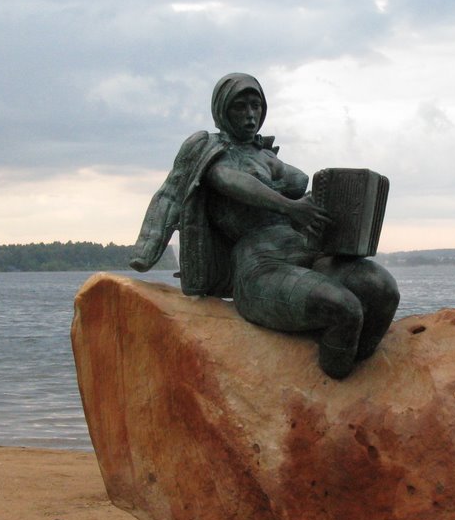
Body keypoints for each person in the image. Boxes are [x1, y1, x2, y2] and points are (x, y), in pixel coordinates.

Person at [130, 73, 399, 379]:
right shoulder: (210, 150)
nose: (250, 115)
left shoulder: (263, 155)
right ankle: (331, 387)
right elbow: (230, 180)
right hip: (261, 265)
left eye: (256, 106)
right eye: (240, 107)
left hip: (303, 252)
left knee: (382, 289)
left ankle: (361, 375)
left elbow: (300, 181)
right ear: (221, 110)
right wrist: (288, 206)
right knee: (343, 309)